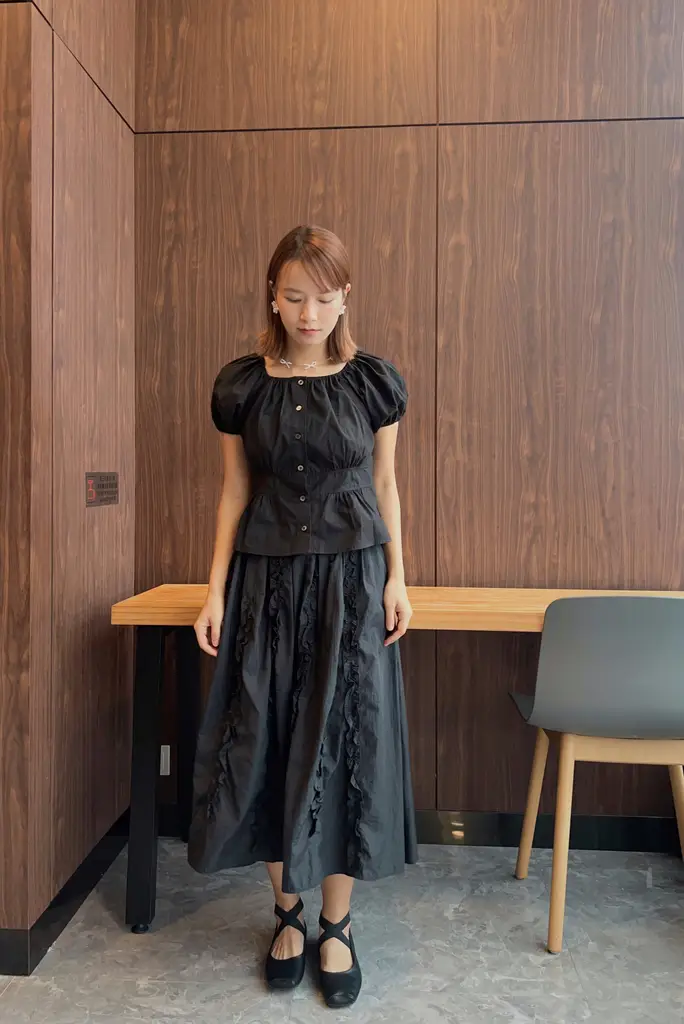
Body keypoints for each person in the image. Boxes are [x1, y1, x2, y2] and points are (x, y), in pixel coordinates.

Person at [188, 225, 418, 1008]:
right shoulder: (242, 387)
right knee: (267, 738)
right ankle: (285, 913)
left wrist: (398, 579)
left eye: (322, 297)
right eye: (293, 297)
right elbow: (234, 491)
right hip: (267, 582)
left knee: (346, 739)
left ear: (345, 297)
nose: (308, 313)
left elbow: (384, 485)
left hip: (353, 581)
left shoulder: (373, 383)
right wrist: (214, 588)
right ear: (272, 297)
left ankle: (337, 924)